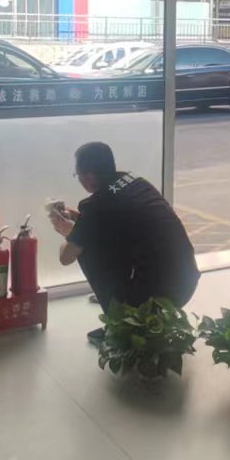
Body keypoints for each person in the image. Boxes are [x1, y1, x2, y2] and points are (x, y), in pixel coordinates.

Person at [49, 142, 199, 339]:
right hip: (186, 282)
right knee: (99, 240)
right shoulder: (135, 182)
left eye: (78, 174)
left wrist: (67, 231)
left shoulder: (96, 206)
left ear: (89, 176)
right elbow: (113, 223)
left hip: (158, 297)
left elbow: (66, 256)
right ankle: (125, 303)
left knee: (88, 250)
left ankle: (121, 323)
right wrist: (80, 220)